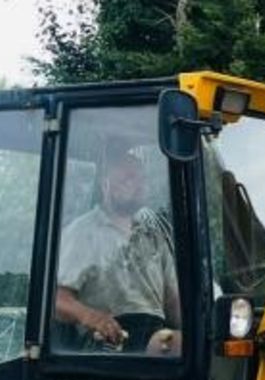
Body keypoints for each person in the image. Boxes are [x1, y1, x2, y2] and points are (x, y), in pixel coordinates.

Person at [53, 137, 181, 355]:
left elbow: (173, 301)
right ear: (105, 185)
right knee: (179, 348)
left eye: (142, 178)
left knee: (202, 347)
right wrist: (93, 318)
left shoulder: (152, 234)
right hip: (108, 338)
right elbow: (57, 300)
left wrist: (207, 329)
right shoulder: (83, 232)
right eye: (129, 178)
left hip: (154, 331)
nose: (139, 184)